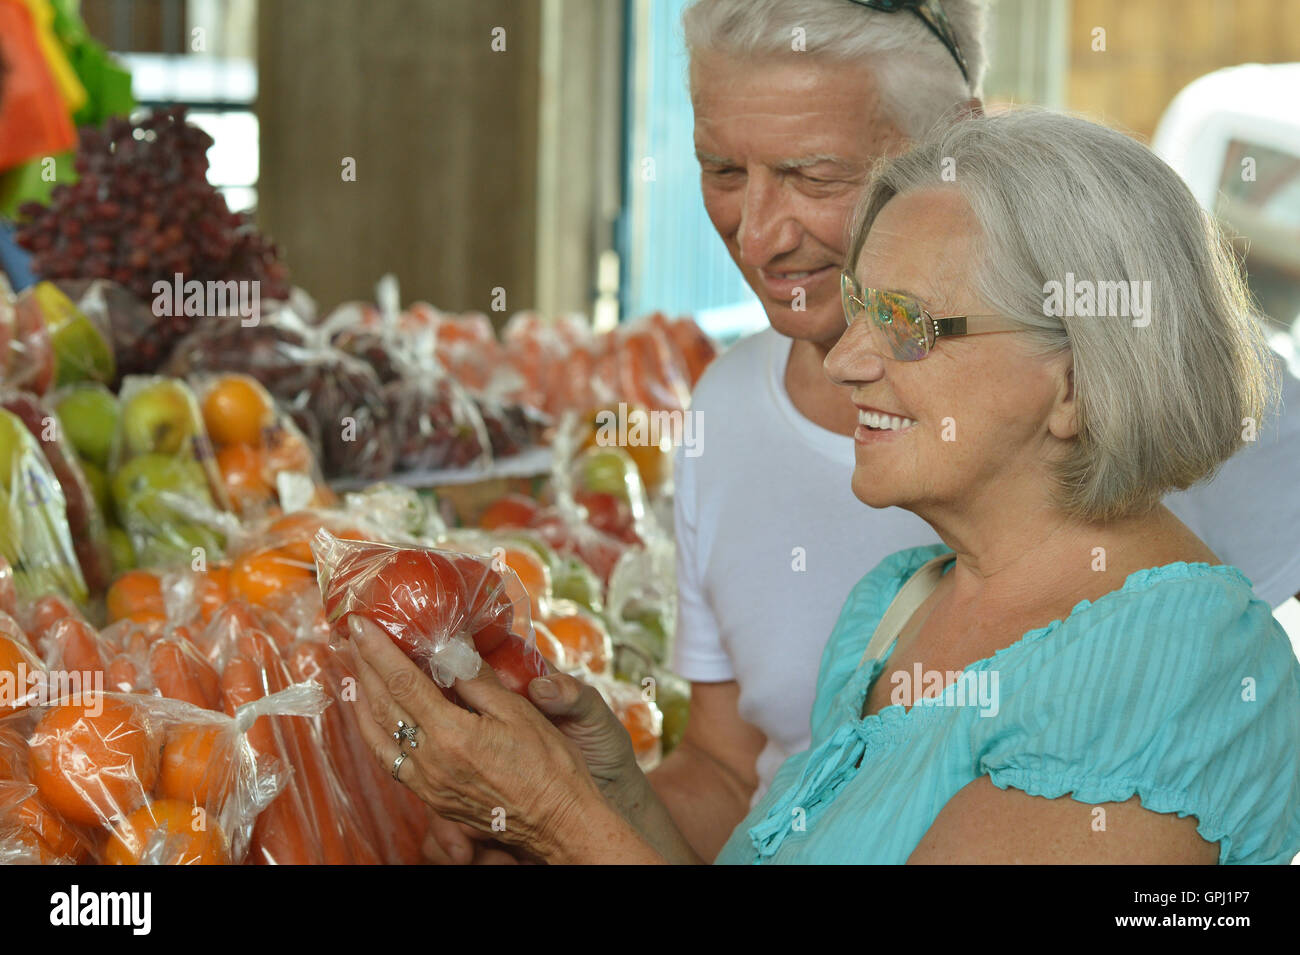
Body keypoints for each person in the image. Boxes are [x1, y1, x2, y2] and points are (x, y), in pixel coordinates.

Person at [361, 107, 1300, 864]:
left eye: (903, 323)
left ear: (1076, 382)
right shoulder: (895, 607)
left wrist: (559, 818)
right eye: (857, 309)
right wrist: (611, 792)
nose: (845, 361)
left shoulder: (1176, 665)